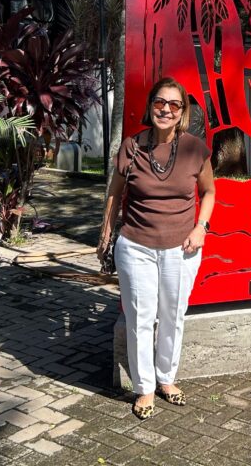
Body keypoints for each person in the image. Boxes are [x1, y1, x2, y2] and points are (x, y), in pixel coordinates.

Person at [97, 76, 216, 420]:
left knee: (173, 316)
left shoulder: (195, 149)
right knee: (140, 318)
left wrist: (201, 227)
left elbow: (209, 192)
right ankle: (144, 387)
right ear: (151, 106)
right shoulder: (132, 147)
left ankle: (166, 378)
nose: (166, 109)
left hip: (182, 249)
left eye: (174, 104)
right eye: (160, 102)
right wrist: (105, 232)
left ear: (182, 112)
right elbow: (114, 193)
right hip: (136, 247)